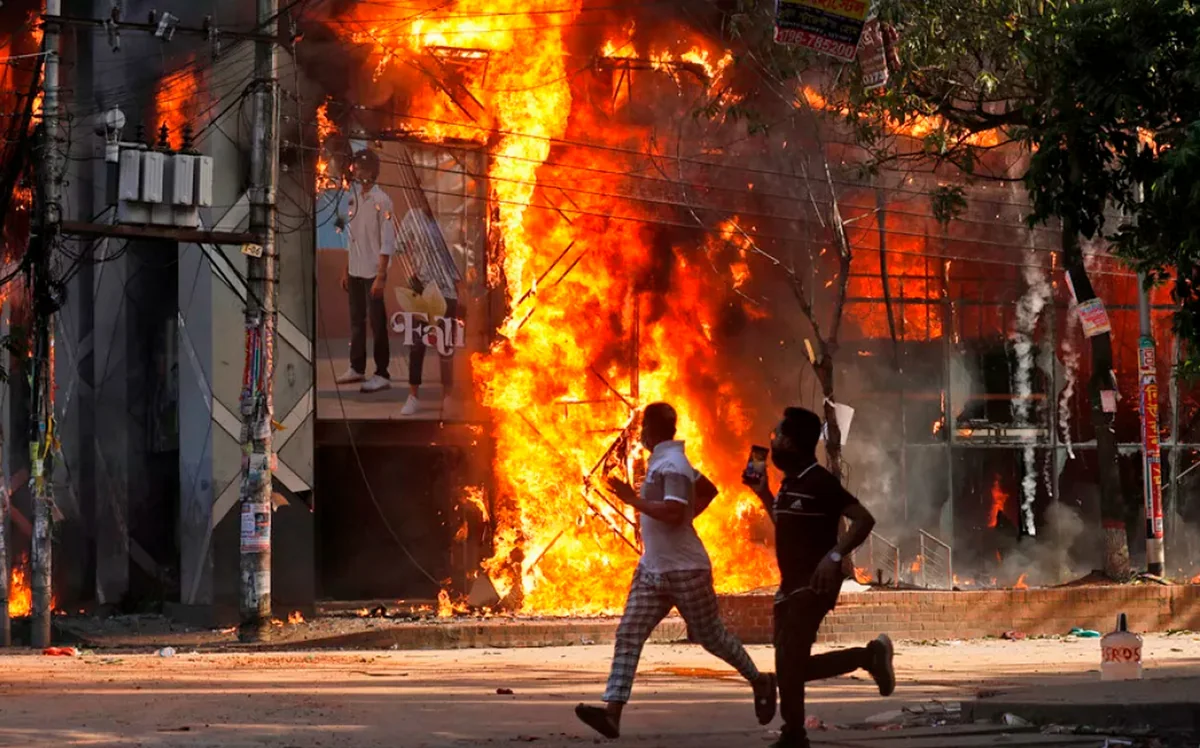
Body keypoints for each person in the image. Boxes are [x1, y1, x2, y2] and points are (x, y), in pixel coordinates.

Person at [575, 402, 777, 739]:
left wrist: (632, 500)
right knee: (628, 633)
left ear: (651, 431)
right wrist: (688, 517)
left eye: (642, 429)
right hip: (652, 569)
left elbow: (671, 512)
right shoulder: (666, 461)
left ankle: (761, 680)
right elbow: (708, 490)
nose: (639, 434)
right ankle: (612, 713)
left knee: (713, 638)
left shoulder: (672, 465)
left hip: (686, 571)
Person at [744, 407, 896, 748]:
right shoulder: (789, 484)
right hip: (789, 586)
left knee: (789, 661)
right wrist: (764, 495)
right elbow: (786, 524)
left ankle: (794, 736)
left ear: (795, 443)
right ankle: (868, 657)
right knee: (790, 667)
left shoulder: (820, 482)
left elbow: (863, 519)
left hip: (814, 586)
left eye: (779, 435)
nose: (774, 440)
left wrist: (834, 557)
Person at [336, 148, 395, 394]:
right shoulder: (354, 198)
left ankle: (382, 373)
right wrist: (346, 269)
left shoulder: (382, 201)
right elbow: (353, 238)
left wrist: (381, 276)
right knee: (356, 322)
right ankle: (356, 367)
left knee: (377, 324)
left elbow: (387, 240)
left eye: (361, 168)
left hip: (373, 273)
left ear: (372, 171)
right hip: (356, 271)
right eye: (355, 168)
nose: (357, 171)